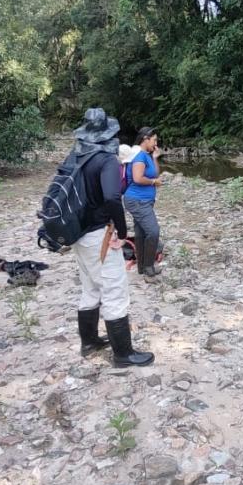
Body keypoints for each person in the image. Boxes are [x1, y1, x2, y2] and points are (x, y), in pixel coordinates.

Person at [72, 108, 154, 367]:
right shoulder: (105, 159)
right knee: (115, 290)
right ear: (108, 133)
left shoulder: (76, 155)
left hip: (78, 233)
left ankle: (89, 342)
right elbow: (111, 197)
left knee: (90, 287)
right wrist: (121, 231)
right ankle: (123, 354)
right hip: (99, 234)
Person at [123, 127, 164, 278]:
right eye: (154, 140)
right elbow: (137, 178)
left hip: (144, 201)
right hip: (136, 200)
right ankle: (148, 267)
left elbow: (155, 173)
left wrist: (155, 157)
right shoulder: (139, 156)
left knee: (140, 233)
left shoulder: (147, 155)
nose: (156, 142)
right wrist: (153, 182)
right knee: (153, 231)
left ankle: (141, 267)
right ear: (145, 139)